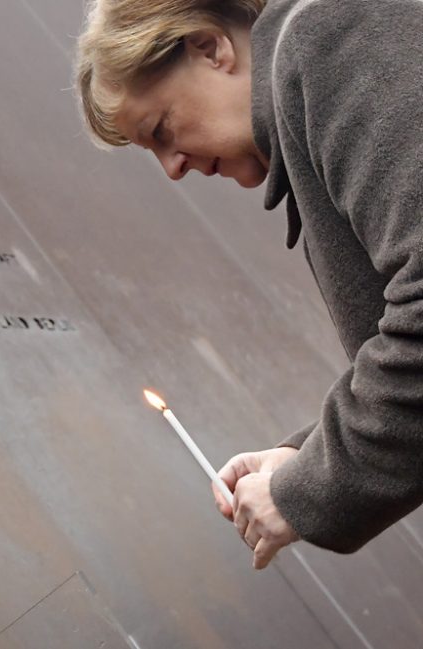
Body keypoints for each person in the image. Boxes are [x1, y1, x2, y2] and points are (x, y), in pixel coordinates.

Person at [75, 0, 423, 569]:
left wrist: (306, 488)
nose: (172, 168)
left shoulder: (326, 38)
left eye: (161, 129)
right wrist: (303, 458)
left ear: (210, 48)